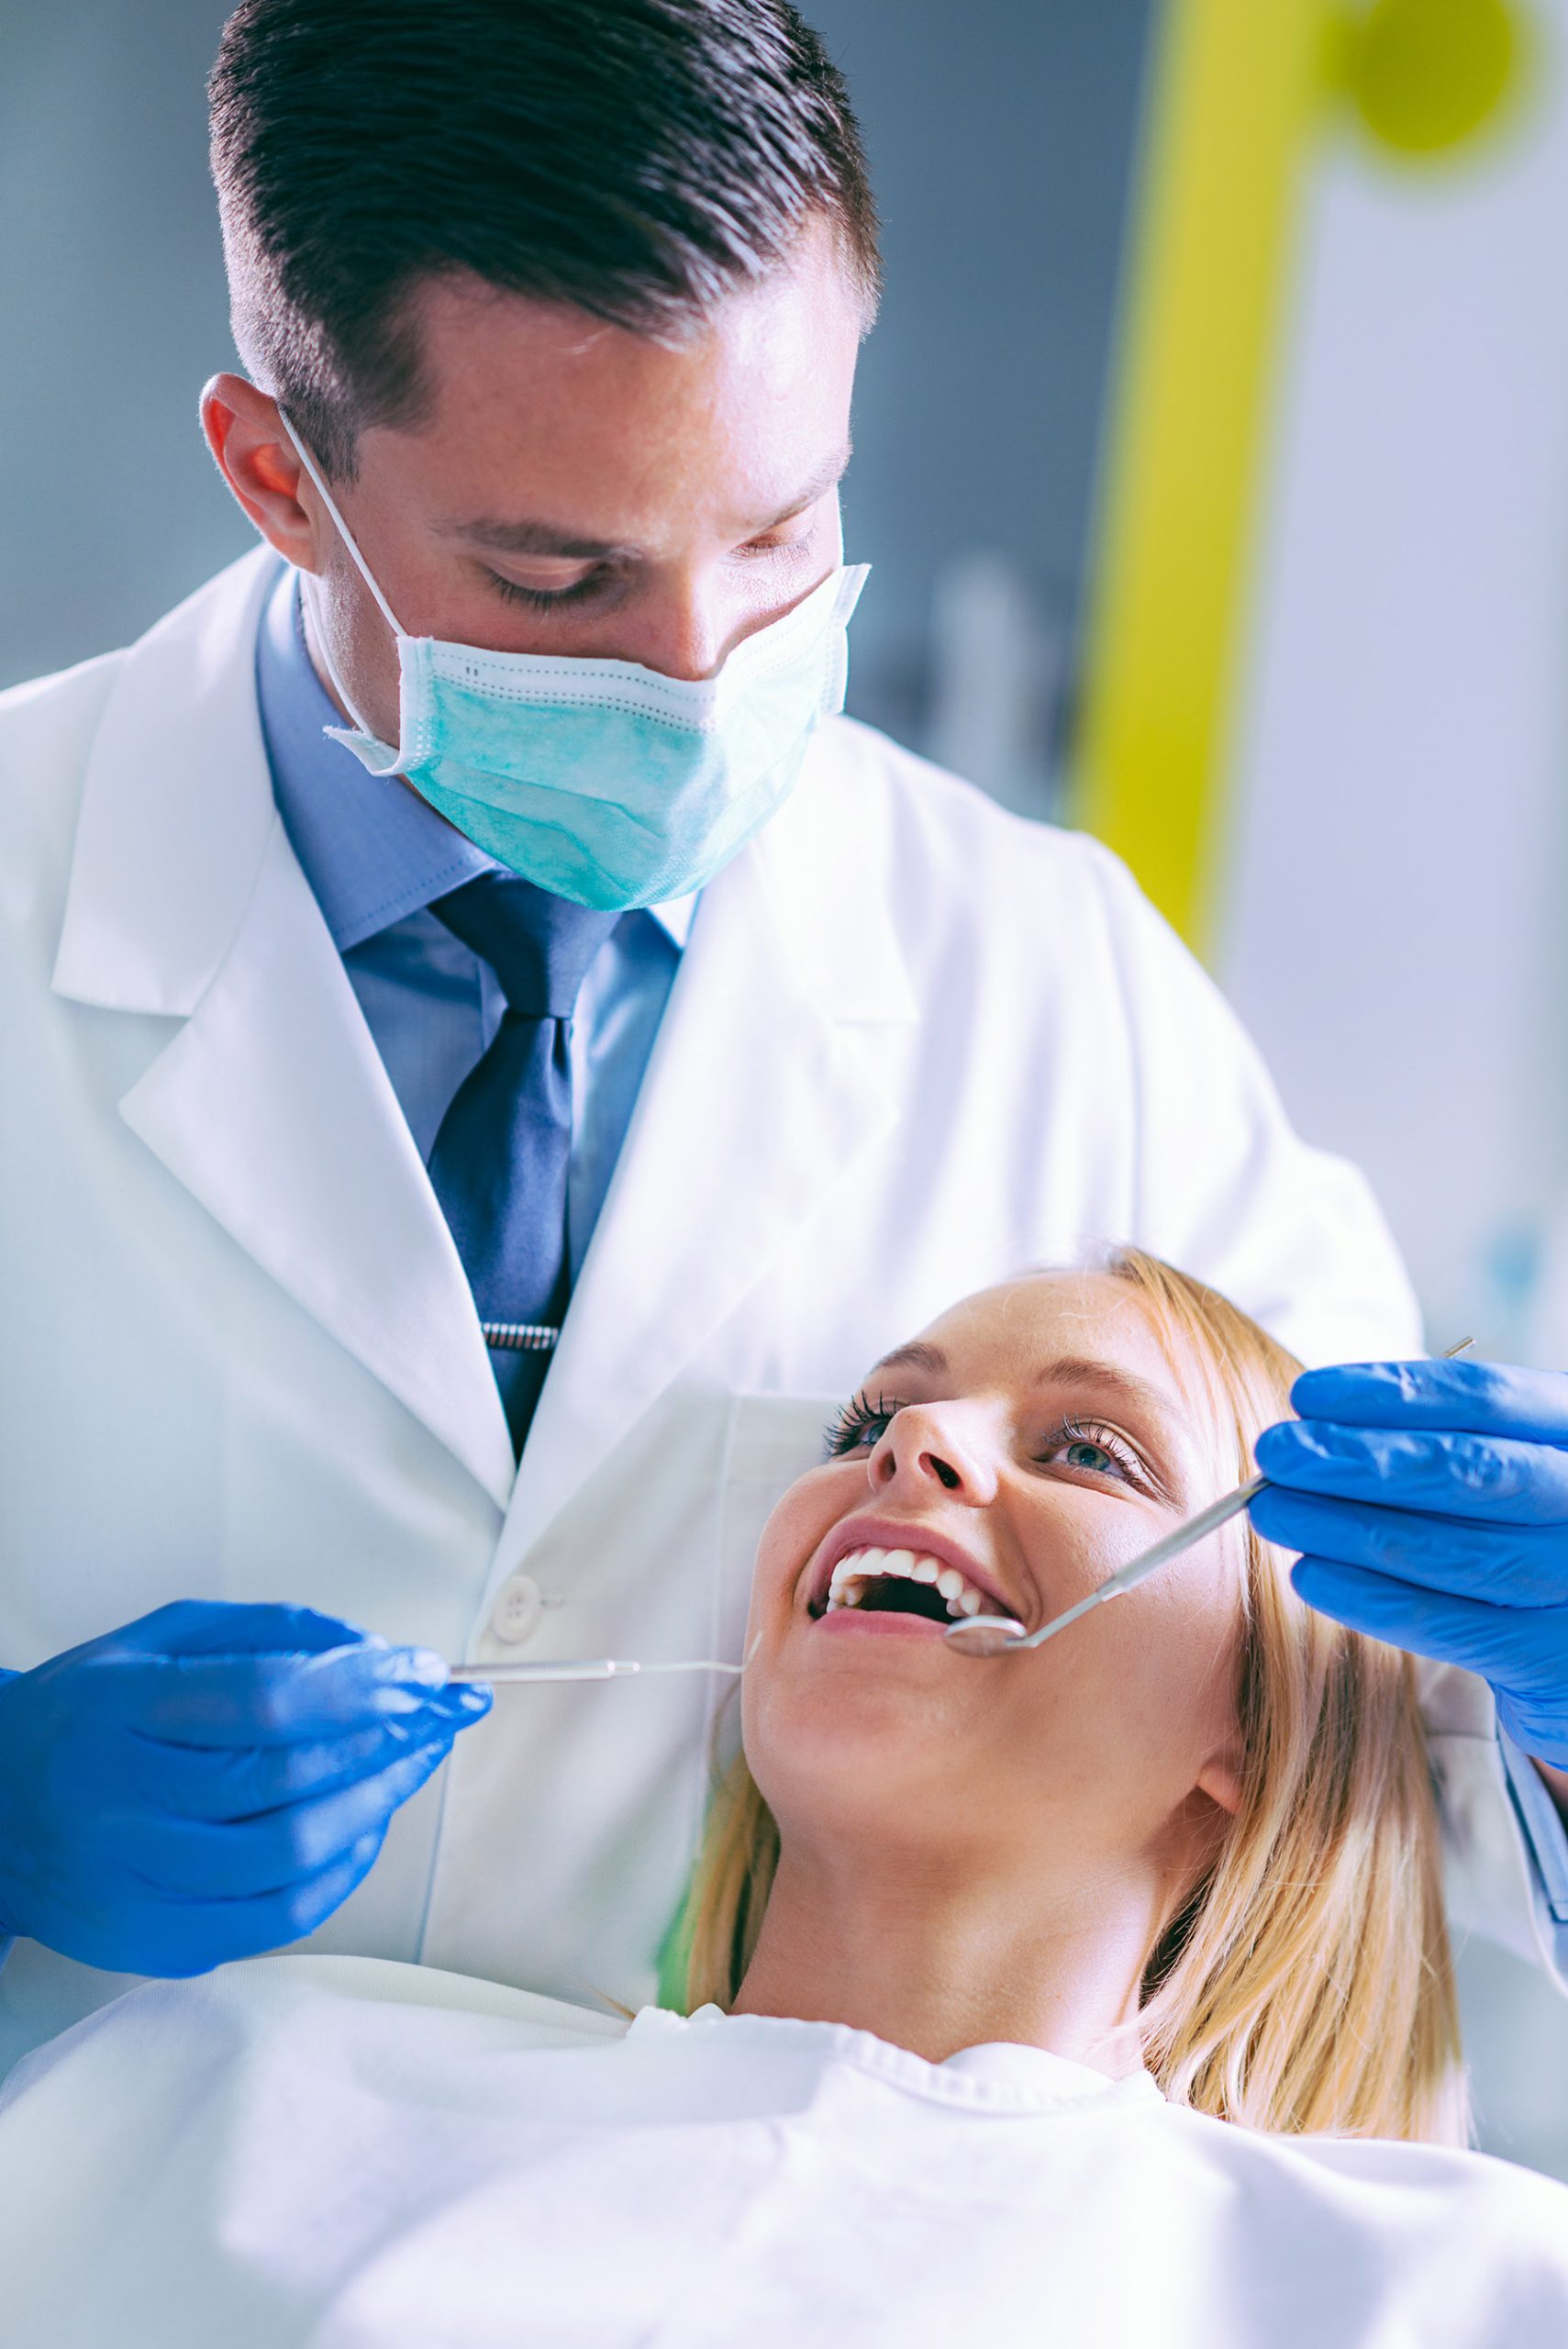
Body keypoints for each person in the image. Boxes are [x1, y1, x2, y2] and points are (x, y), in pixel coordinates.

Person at [2, 0, 1567, 2080]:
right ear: (281, 478)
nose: (698, 669)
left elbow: (1360, 1809)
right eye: (564, 577)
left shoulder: (1048, 983)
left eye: (781, 531)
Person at [1, 1253, 1564, 2349]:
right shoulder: (238, 2097)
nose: (913, 1445)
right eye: (860, 1428)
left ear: (1257, 1724)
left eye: (1088, 1449)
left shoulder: (1443, 2291)